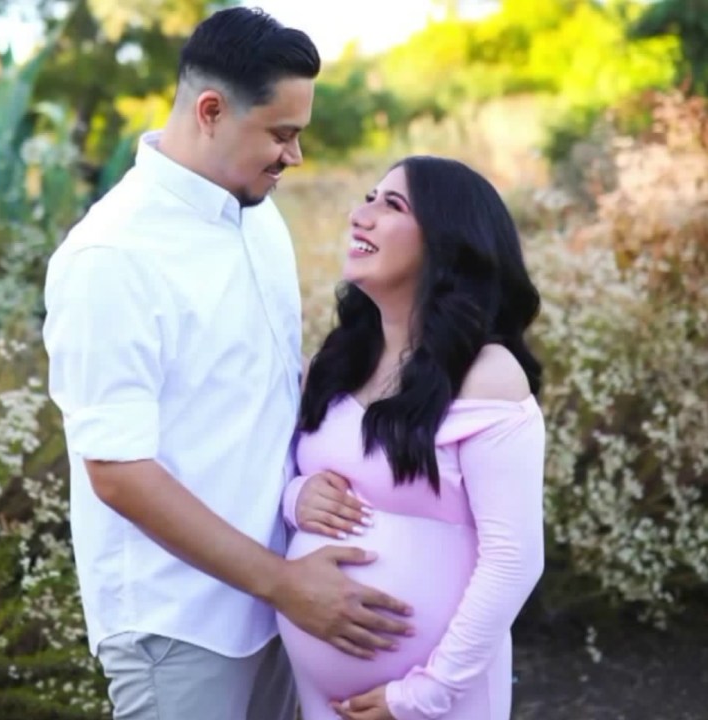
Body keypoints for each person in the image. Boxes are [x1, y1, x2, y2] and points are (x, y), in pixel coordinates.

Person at [42, 7, 413, 720]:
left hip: (278, 599)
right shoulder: (110, 257)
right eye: (281, 134)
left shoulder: (256, 218)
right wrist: (284, 583)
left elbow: (262, 392)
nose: (295, 157)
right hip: (179, 620)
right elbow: (118, 474)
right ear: (210, 111)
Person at [276, 156, 546, 720]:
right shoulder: (337, 360)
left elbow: (514, 560)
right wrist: (295, 497)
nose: (360, 216)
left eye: (391, 205)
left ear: (448, 242)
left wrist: (422, 696)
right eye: (367, 198)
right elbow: (282, 473)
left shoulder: (486, 374)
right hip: (322, 696)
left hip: (435, 701)